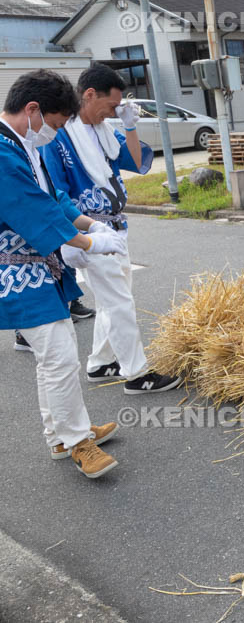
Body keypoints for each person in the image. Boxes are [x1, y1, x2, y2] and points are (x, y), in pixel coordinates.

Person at [1, 69, 131, 478]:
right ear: (33, 110)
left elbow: (52, 197)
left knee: (51, 358)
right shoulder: (4, 152)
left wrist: (89, 224)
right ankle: (77, 442)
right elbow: (31, 210)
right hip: (18, 271)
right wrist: (89, 243)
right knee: (58, 356)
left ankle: (60, 433)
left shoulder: (22, 145)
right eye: (55, 124)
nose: (54, 133)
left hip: (37, 268)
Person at [40, 63, 181, 394]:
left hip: (116, 228)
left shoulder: (103, 131)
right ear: (89, 95)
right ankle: (136, 373)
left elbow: (134, 162)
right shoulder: (59, 136)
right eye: (112, 105)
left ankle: (100, 363)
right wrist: (77, 239)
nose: (114, 112)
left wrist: (130, 126)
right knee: (119, 301)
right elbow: (55, 193)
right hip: (90, 231)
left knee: (113, 299)